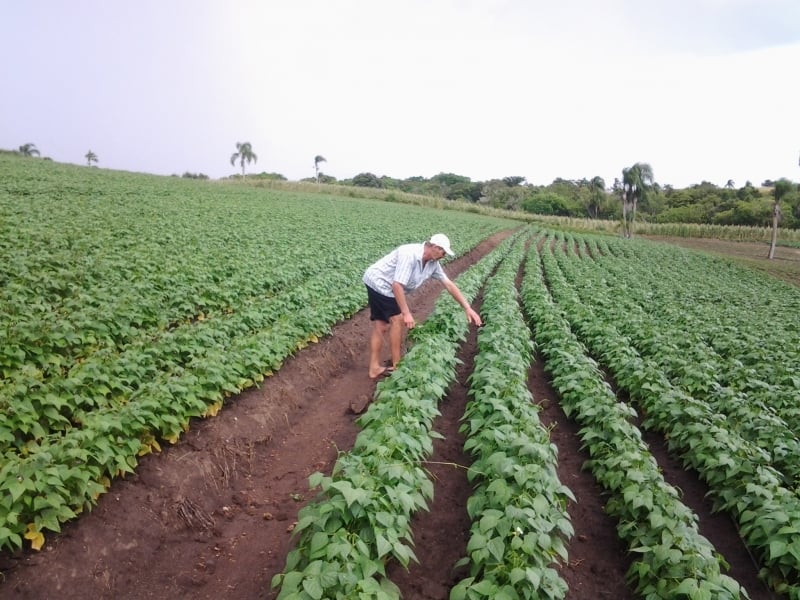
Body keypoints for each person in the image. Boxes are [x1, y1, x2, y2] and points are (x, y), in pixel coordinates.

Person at [362, 233, 482, 379]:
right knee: (397, 319)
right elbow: (397, 285)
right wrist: (406, 313)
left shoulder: (433, 264)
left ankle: (374, 368)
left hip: (388, 285)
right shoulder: (410, 254)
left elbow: (449, 284)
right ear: (435, 247)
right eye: (443, 252)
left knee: (381, 325)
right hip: (379, 281)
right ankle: (397, 366)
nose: (444, 255)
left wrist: (467, 308)